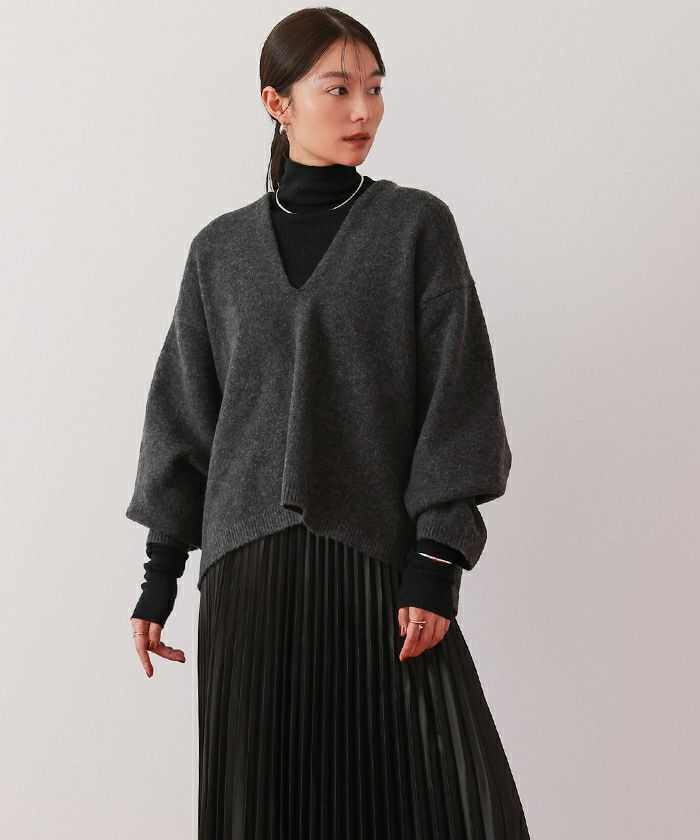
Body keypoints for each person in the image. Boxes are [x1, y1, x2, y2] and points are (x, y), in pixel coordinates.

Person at [126, 8, 530, 839]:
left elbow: (458, 398)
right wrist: (159, 578)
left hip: (378, 563)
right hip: (249, 576)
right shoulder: (219, 251)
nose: (364, 111)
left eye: (375, 89)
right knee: (271, 811)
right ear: (277, 102)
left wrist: (437, 558)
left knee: (446, 806)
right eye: (338, 90)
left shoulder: (416, 226)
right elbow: (185, 417)